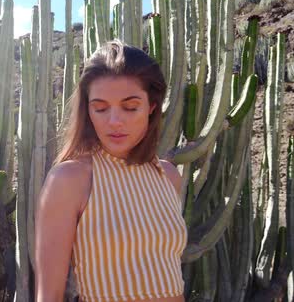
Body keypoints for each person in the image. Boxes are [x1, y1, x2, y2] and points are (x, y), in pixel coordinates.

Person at [35, 40, 187, 302]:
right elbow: (48, 296)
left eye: (130, 107)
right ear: (88, 111)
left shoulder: (169, 176)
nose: (114, 121)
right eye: (101, 108)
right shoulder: (70, 180)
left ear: (151, 107)